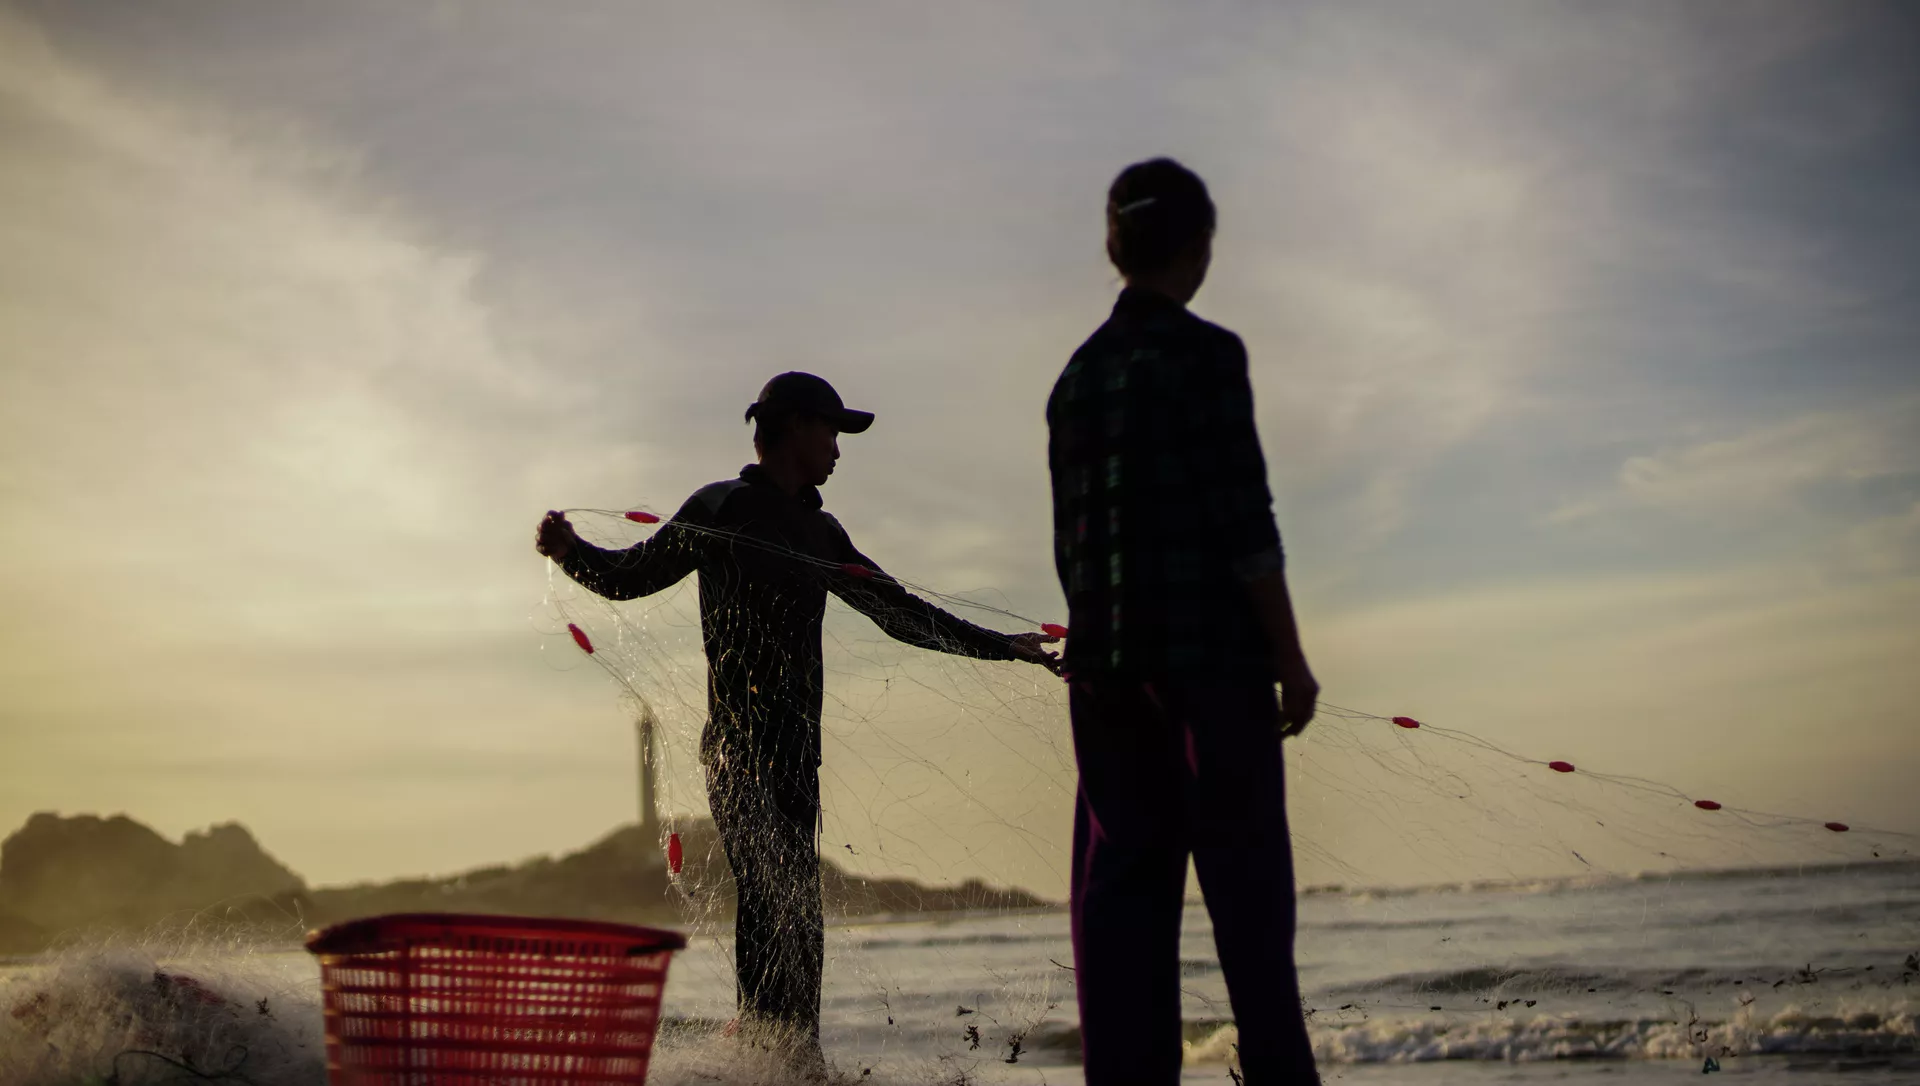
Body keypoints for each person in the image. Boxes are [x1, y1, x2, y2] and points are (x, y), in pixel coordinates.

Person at [535, 371, 1059, 1071]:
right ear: (793, 427)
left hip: (796, 751)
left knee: (798, 909)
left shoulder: (822, 530)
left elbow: (899, 613)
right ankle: (769, 1054)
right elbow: (631, 576)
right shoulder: (721, 507)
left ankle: (792, 1058)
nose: (838, 450)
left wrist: (1002, 646)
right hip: (736, 748)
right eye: (832, 433)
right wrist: (571, 553)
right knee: (769, 894)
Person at [1046, 158, 1322, 1084]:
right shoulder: (1207, 355)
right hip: (1211, 672)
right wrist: (1290, 658)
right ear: (1199, 246)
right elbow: (1247, 521)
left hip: (1104, 678)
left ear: (1113, 246)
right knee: (1250, 911)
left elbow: (1071, 547)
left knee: (1121, 923)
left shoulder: (1076, 377)